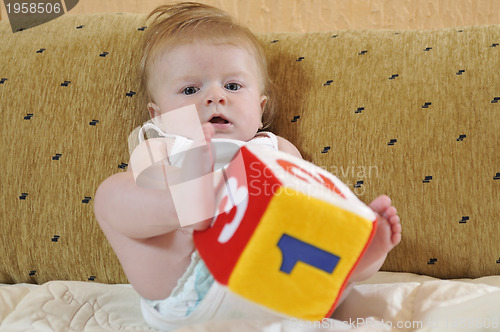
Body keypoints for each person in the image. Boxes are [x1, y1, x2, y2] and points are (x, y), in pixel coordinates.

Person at [93, 2, 402, 330]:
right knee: (111, 194)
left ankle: (358, 256)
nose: (214, 97)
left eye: (233, 86)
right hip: (189, 279)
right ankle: (184, 205)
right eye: (190, 89)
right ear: (158, 115)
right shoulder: (161, 144)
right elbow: (146, 186)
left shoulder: (272, 148)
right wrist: (179, 190)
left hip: (270, 279)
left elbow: (306, 210)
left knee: (313, 220)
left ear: (260, 106)